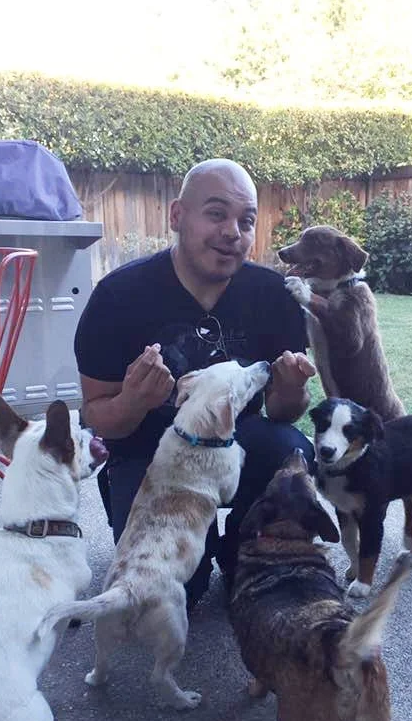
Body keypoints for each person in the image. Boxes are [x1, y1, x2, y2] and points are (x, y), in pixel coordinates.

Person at [74, 158, 316, 609]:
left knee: (295, 454)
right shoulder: (118, 298)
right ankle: (124, 498)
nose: (232, 232)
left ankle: (242, 547)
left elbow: (281, 414)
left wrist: (291, 390)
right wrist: (133, 400)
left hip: (232, 442)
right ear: (176, 216)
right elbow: (97, 416)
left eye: (246, 221)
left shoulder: (273, 296)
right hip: (149, 455)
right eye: (216, 213)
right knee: (175, 593)